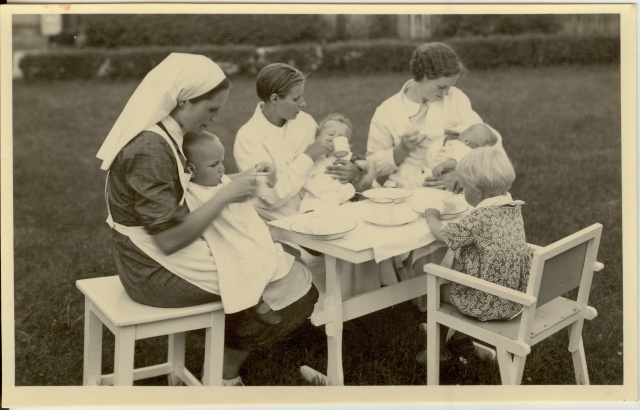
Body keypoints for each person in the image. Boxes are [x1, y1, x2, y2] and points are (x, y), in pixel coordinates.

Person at [96, 53, 318, 386]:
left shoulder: (164, 132)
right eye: (211, 110)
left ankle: (228, 354)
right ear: (184, 101)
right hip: (151, 269)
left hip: (152, 255)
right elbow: (169, 238)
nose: (213, 119)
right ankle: (223, 377)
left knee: (267, 257)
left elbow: (190, 188)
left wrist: (243, 178)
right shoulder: (149, 148)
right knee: (289, 278)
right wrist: (228, 194)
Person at [418, 147, 532, 361]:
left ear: (478, 193)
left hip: (487, 302)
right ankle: (461, 341)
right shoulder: (512, 207)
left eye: (463, 188)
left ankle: (438, 349)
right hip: (514, 297)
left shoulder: (480, 218)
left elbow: (444, 235)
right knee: (456, 268)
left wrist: (432, 217)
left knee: (437, 286)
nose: (462, 192)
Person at [366, 42, 502, 192]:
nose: (446, 93)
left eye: (450, 86)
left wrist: (462, 174)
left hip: (451, 190)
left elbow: (486, 145)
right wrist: (401, 149)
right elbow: (371, 165)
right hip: (405, 190)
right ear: (423, 76)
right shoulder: (388, 111)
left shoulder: (456, 98)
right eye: (442, 86)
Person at [182, 129, 285, 326]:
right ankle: (251, 303)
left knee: (260, 244)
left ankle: (261, 290)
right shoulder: (192, 192)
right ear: (191, 169)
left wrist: (257, 174)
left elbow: (238, 188)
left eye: (221, 161)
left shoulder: (219, 180)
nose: (221, 169)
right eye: (214, 165)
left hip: (240, 229)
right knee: (238, 258)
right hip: (221, 238)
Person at [234, 63, 361, 220]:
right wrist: (308, 156)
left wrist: (351, 170)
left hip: (324, 208)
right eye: (296, 99)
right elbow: (272, 197)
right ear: (274, 99)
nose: (303, 103)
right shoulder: (248, 137)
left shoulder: (305, 121)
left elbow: (328, 160)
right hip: (280, 221)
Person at [299, 113, 375, 213]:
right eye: (330, 134)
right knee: (310, 210)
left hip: (341, 198)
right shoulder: (314, 154)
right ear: (317, 138)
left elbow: (369, 165)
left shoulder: (347, 157)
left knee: (353, 212)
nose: (334, 138)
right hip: (316, 197)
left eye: (341, 137)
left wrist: (356, 166)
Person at [399, 123, 500, 189]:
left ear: (466, 140)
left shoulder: (461, 147)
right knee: (421, 178)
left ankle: (405, 186)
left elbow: (454, 160)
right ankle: (406, 185)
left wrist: (442, 166)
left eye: (462, 133)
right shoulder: (466, 150)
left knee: (423, 180)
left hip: (441, 170)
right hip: (438, 169)